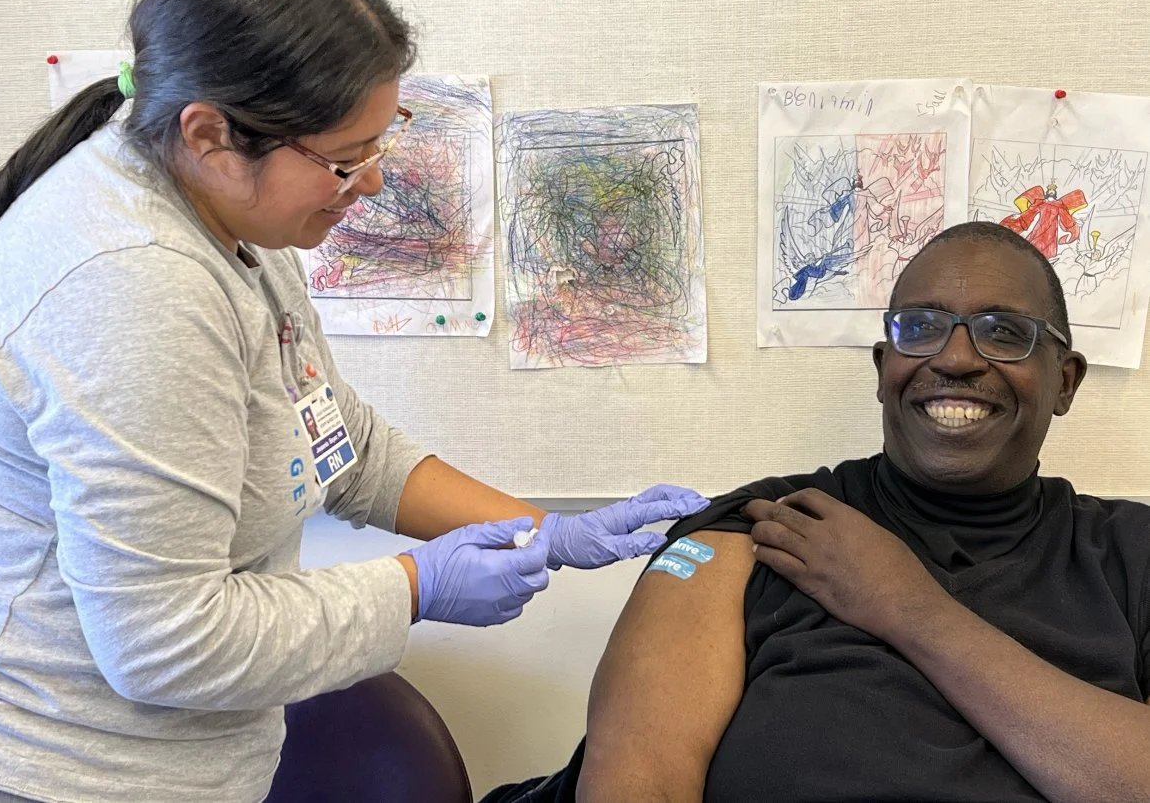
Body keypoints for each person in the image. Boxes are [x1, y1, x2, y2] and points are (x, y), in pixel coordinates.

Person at [0, 0, 709, 801]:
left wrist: (545, 530)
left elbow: (335, 441)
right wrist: (413, 589)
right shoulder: (132, 289)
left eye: (380, 142)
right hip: (71, 774)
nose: (372, 181)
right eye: (343, 160)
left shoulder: (230, 221)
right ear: (211, 134)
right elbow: (164, 640)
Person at [485, 222, 1150, 802]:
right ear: (884, 367)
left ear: (1065, 380)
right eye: (920, 328)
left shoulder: (1132, 553)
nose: (954, 358)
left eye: (1003, 332)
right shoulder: (757, 529)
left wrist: (910, 607)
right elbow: (639, 780)